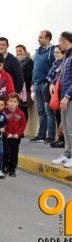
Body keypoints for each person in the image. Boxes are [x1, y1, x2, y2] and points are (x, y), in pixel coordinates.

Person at [31, 31, 56, 143]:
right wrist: (32, 83)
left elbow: (56, 67)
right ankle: (41, 135)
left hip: (46, 84)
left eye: (41, 37)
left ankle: (50, 136)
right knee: (40, 110)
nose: (38, 39)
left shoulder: (52, 51)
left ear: (48, 39)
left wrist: (50, 82)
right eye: (38, 37)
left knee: (48, 111)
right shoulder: (37, 51)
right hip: (36, 83)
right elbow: (35, 68)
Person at [51, 31, 72, 168]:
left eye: (60, 41)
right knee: (65, 128)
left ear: (66, 41)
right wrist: (54, 82)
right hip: (64, 98)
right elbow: (61, 75)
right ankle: (67, 154)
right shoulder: (67, 57)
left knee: (71, 128)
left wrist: (67, 96)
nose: (59, 44)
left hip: (69, 98)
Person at [3, 93, 27, 177]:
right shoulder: (4, 113)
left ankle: (12, 168)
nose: (12, 103)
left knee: (14, 153)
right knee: (6, 152)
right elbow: (2, 125)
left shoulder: (21, 114)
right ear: (7, 102)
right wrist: (6, 133)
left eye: (14, 101)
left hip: (16, 137)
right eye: (10, 101)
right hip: (6, 137)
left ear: (18, 103)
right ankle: (5, 166)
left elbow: (23, 125)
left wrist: (18, 133)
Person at [48, 45, 66, 148]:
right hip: (56, 93)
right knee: (58, 116)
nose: (55, 54)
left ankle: (63, 140)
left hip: (63, 93)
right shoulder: (55, 63)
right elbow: (52, 76)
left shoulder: (64, 63)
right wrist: (52, 83)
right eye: (54, 52)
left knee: (63, 119)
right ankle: (60, 138)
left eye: (58, 52)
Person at [15, 44, 34, 121]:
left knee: (23, 109)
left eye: (20, 51)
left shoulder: (29, 61)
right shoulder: (16, 61)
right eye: (17, 51)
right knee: (18, 109)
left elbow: (28, 75)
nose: (19, 52)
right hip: (17, 89)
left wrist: (18, 77)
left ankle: (23, 128)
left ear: (25, 51)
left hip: (26, 90)